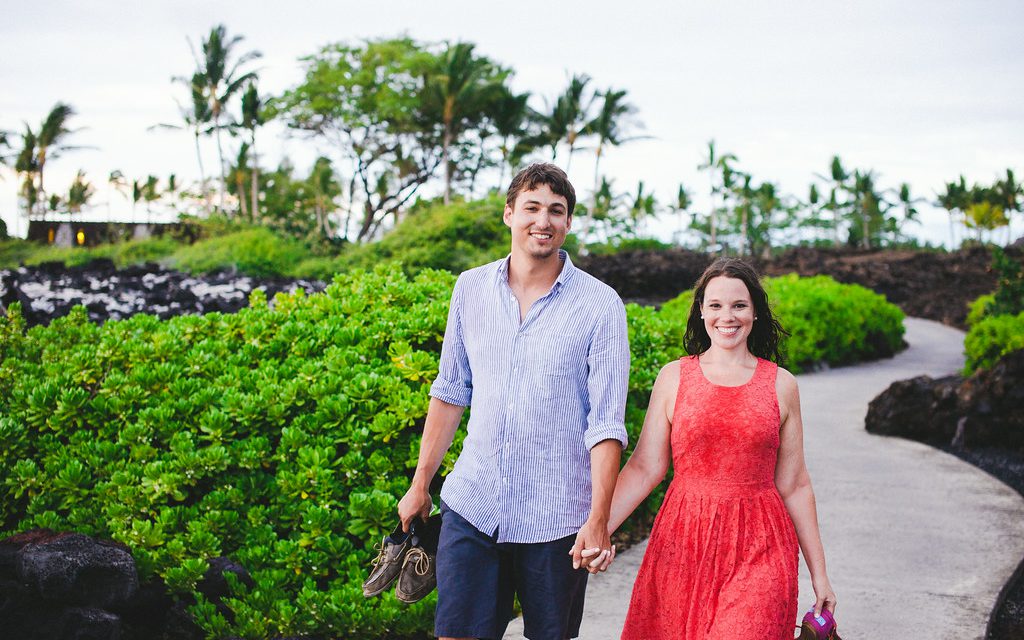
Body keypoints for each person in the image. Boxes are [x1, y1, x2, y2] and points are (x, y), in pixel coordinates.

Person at [397, 163, 630, 640]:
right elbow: (449, 391)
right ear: (508, 214)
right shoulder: (470, 289)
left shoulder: (601, 305)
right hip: (474, 501)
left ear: (568, 223)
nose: (542, 220)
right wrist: (420, 484)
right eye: (532, 207)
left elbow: (606, 424)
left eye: (556, 211)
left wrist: (598, 520)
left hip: (558, 516)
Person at [595, 257, 837, 639]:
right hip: (683, 542)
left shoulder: (782, 385)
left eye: (739, 305)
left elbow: (795, 484)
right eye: (716, 305)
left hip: (762, 545)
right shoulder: (674, 377)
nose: (728, 316)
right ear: (701, 312)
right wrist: (599, 529)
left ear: (755, 312)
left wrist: (820, 576)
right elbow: (645, 466)